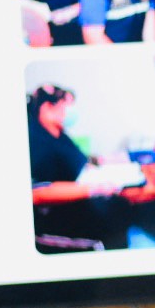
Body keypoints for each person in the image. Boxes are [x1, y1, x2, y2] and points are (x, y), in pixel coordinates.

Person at [26, 85, 124, 253]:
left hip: (77, 199)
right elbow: (37, 192)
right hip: (52, 217)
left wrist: (104, 162)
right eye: (66, 105)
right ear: (47, 108)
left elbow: (80, 160)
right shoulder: (35, 139)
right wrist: (95, 188)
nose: (71, 111)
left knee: (123, 203)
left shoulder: (60, 134)